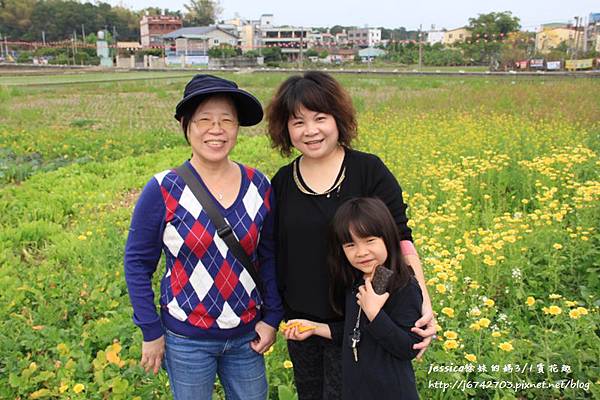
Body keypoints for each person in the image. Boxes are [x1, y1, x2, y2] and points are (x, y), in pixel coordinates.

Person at [266, 71, 435, 399]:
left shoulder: (368, 171)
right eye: (298, 122)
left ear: (338, 119)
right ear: (285, 129)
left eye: (320, 118)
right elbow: (274, 252)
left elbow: (397, 241)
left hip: (363, 323)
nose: (311, 131)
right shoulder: (283, 182)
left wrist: (419, 299)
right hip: (304, 326)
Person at [124, 74, 284, 400]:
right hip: (186, 339)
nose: (216, 129)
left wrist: (272, 318)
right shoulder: (163, 189)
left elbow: (268, 257)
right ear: (186, 125)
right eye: (205, 120)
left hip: (247, 335)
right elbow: (138, 263)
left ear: (238, 127)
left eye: (227, 120)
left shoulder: (259, 185)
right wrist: (151, 330)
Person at [283, 197, 422, 400]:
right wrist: (314, 328)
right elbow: (354, 330)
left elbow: (409, 347)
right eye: (350, 245)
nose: (361, 252)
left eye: (369, 240)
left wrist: (375, 314)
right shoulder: (357, 282)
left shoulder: (403, 284)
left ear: (388, 237)